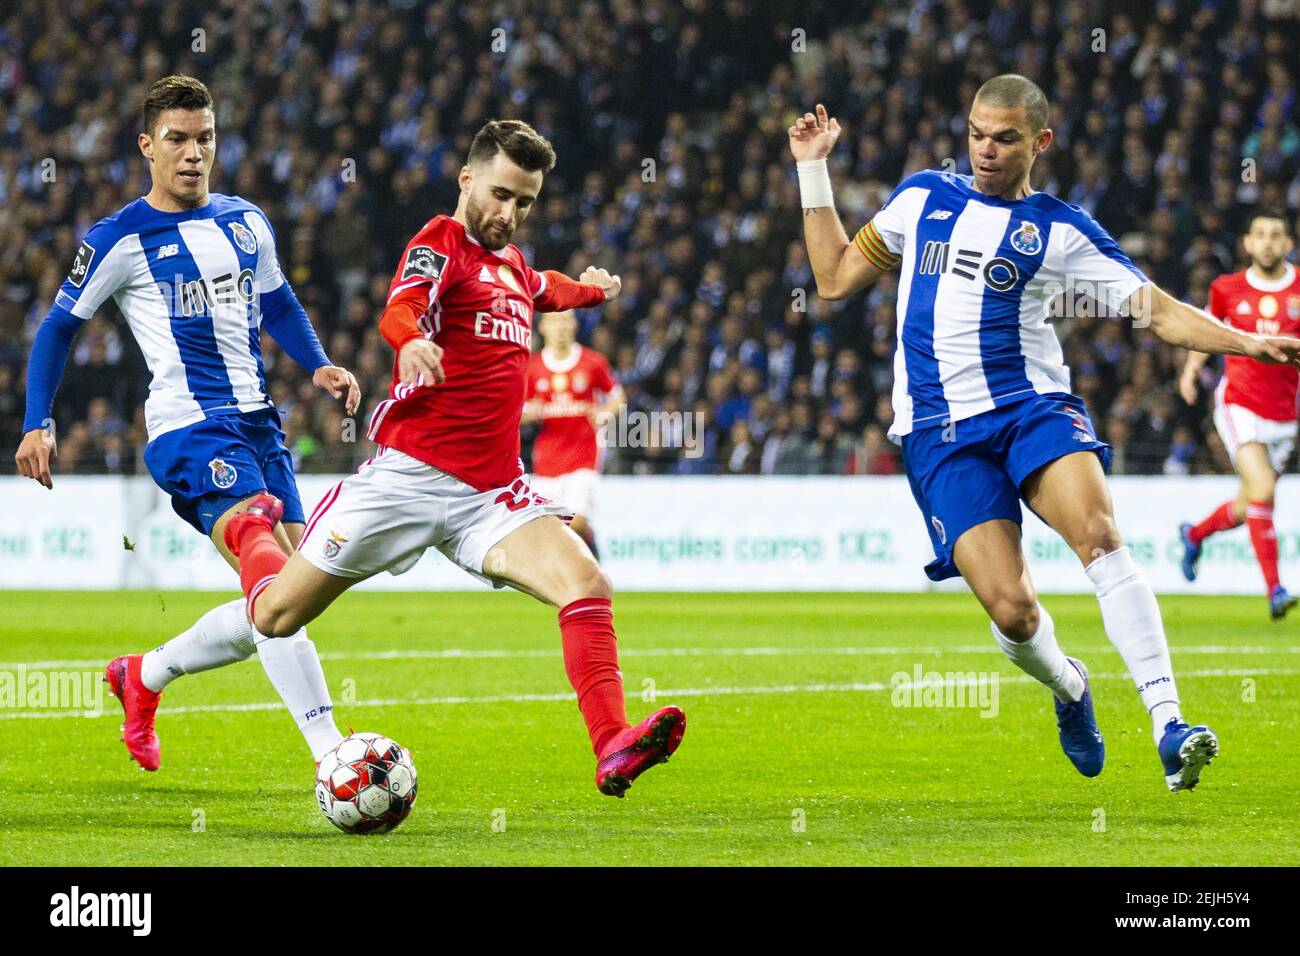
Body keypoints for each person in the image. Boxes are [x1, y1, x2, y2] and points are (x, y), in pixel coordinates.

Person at [789, 74, 1300, 791]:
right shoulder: (920, 199)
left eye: (1004, 139)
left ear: (1040, 142)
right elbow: (835, 278)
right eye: (975, 135)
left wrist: (1247, 342)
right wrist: (813, 168)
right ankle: (1070, 687)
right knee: (1014, 610)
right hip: (939, 433)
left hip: (1033, 408)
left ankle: (1168, 722)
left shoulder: (1061, 230)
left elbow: (1153, 309)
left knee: (1099, 534)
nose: (986, 151)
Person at [220, 120, 684, 798]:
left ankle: (610, 743)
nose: (509, 213)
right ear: (467, 180)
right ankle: (250, 530)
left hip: (491, 495)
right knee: (276, 616)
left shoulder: (514, 267)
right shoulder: (440, 243)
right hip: (407, 477)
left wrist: (593, 291)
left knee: (587, 584)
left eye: (525, 202)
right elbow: (402, 307)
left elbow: (543, 285)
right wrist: (408, 343)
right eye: (500, 194)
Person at [14, 75, 359, 772]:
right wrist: (37, 422)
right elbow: (56, 328)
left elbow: (279, 302)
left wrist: (318, 364)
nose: (193, 153)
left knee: (290, 598)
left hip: (260, 425)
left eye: (204, 137)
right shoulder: (120, 238)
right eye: (177, 139)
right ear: (147, 146)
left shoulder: (246, 220)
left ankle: (143, 676)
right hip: (187, 429)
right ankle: (334, 756)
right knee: (260, 550)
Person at [1178, 211, 1300, 619]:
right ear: (1247, 243)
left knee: (1251, 502)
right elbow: (1207, 330)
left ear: (1288, 244)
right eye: (1260, 235)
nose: (1268, 242)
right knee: (1263, 488)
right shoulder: (1227, 288)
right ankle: (1275, 590)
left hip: (1285, 415)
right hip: (1239, 404)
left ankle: (1194, 535)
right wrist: (1192, 369)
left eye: (1276, 235)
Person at [521, 309, 625, 558]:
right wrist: (528, 413)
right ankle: (579, 563)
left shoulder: (592, 362)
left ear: (575, 325)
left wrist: (605, 413)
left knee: (575, 521)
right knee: (553, 526)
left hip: (584, 457)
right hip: (547, 459)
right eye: (554, 321)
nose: (560, 327)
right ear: (543, 327)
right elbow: (514, 411)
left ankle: (590, 546)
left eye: (566, 321)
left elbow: (618, 398)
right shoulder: (532, 367)